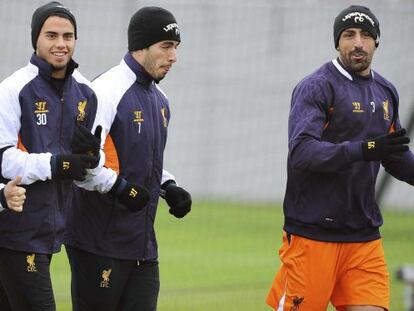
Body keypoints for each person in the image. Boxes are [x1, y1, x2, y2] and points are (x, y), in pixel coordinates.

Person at [266, 5, 414, 311]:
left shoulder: (385, 92)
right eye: (349, 35)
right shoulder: (317, 86)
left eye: (365, 35)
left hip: (363, 238)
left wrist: (378, 149)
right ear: (337, 42)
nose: (358, 42)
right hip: (312, 235)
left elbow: (395, 155)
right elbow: (303, 152)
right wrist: (365, 149)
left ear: (376, 42)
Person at [64, 6, 192, 311]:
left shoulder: (161, 101)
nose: (173, 57)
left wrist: (168, 185)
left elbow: (144, 161)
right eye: (166, 46)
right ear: (140, 46)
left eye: (175, 47)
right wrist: (121, 188)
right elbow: (82, 167)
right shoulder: (104, 92)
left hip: (143, 247)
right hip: (98, 243)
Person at [0, 2, 98, 310]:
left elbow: (83, 166)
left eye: (68, 36)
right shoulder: (13, 89)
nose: (61, 44)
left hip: (55, 228)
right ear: (36, 39)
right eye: (51, 35)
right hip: (16, 230)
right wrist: (56, 164)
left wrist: (89, 160)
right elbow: (3, 159)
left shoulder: (86, 91)